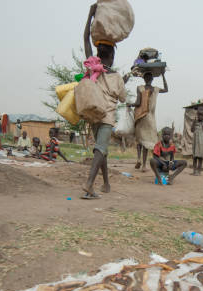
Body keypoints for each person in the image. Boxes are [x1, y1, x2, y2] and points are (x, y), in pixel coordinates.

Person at [81, 3, 129, 200]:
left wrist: (91, 15)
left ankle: (106, 183)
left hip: (93, 114)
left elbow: (85, 39)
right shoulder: (116, 76)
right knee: (100, 148)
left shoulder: (93, 67)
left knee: (102, 150)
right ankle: (89, 184)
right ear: (113, 55)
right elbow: (123, 97)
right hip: (107, 116)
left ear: (98, 55)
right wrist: (123, 82)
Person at [129, 71, 168, 172]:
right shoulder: (155, 89)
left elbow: (138, 103)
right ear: (152, 79)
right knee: (147, 141)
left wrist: (130, 104)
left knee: (139, 140)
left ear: (144, 79)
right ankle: (144, 166)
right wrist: (163, 75)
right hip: (150, 117)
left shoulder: (140, 88)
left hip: (140, 116)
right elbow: (166, 89)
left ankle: (138, 159)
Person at [191, 107, 203, 176]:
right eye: (199, 115)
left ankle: (199, 171)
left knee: (200, 157)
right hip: (195, 142)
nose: (200, 116)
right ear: (197, 115)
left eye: (202, 115)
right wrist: (193, 123)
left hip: (202, 143)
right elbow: (192, 130)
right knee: (195, 157)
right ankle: (194, 171)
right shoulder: (195, 122)